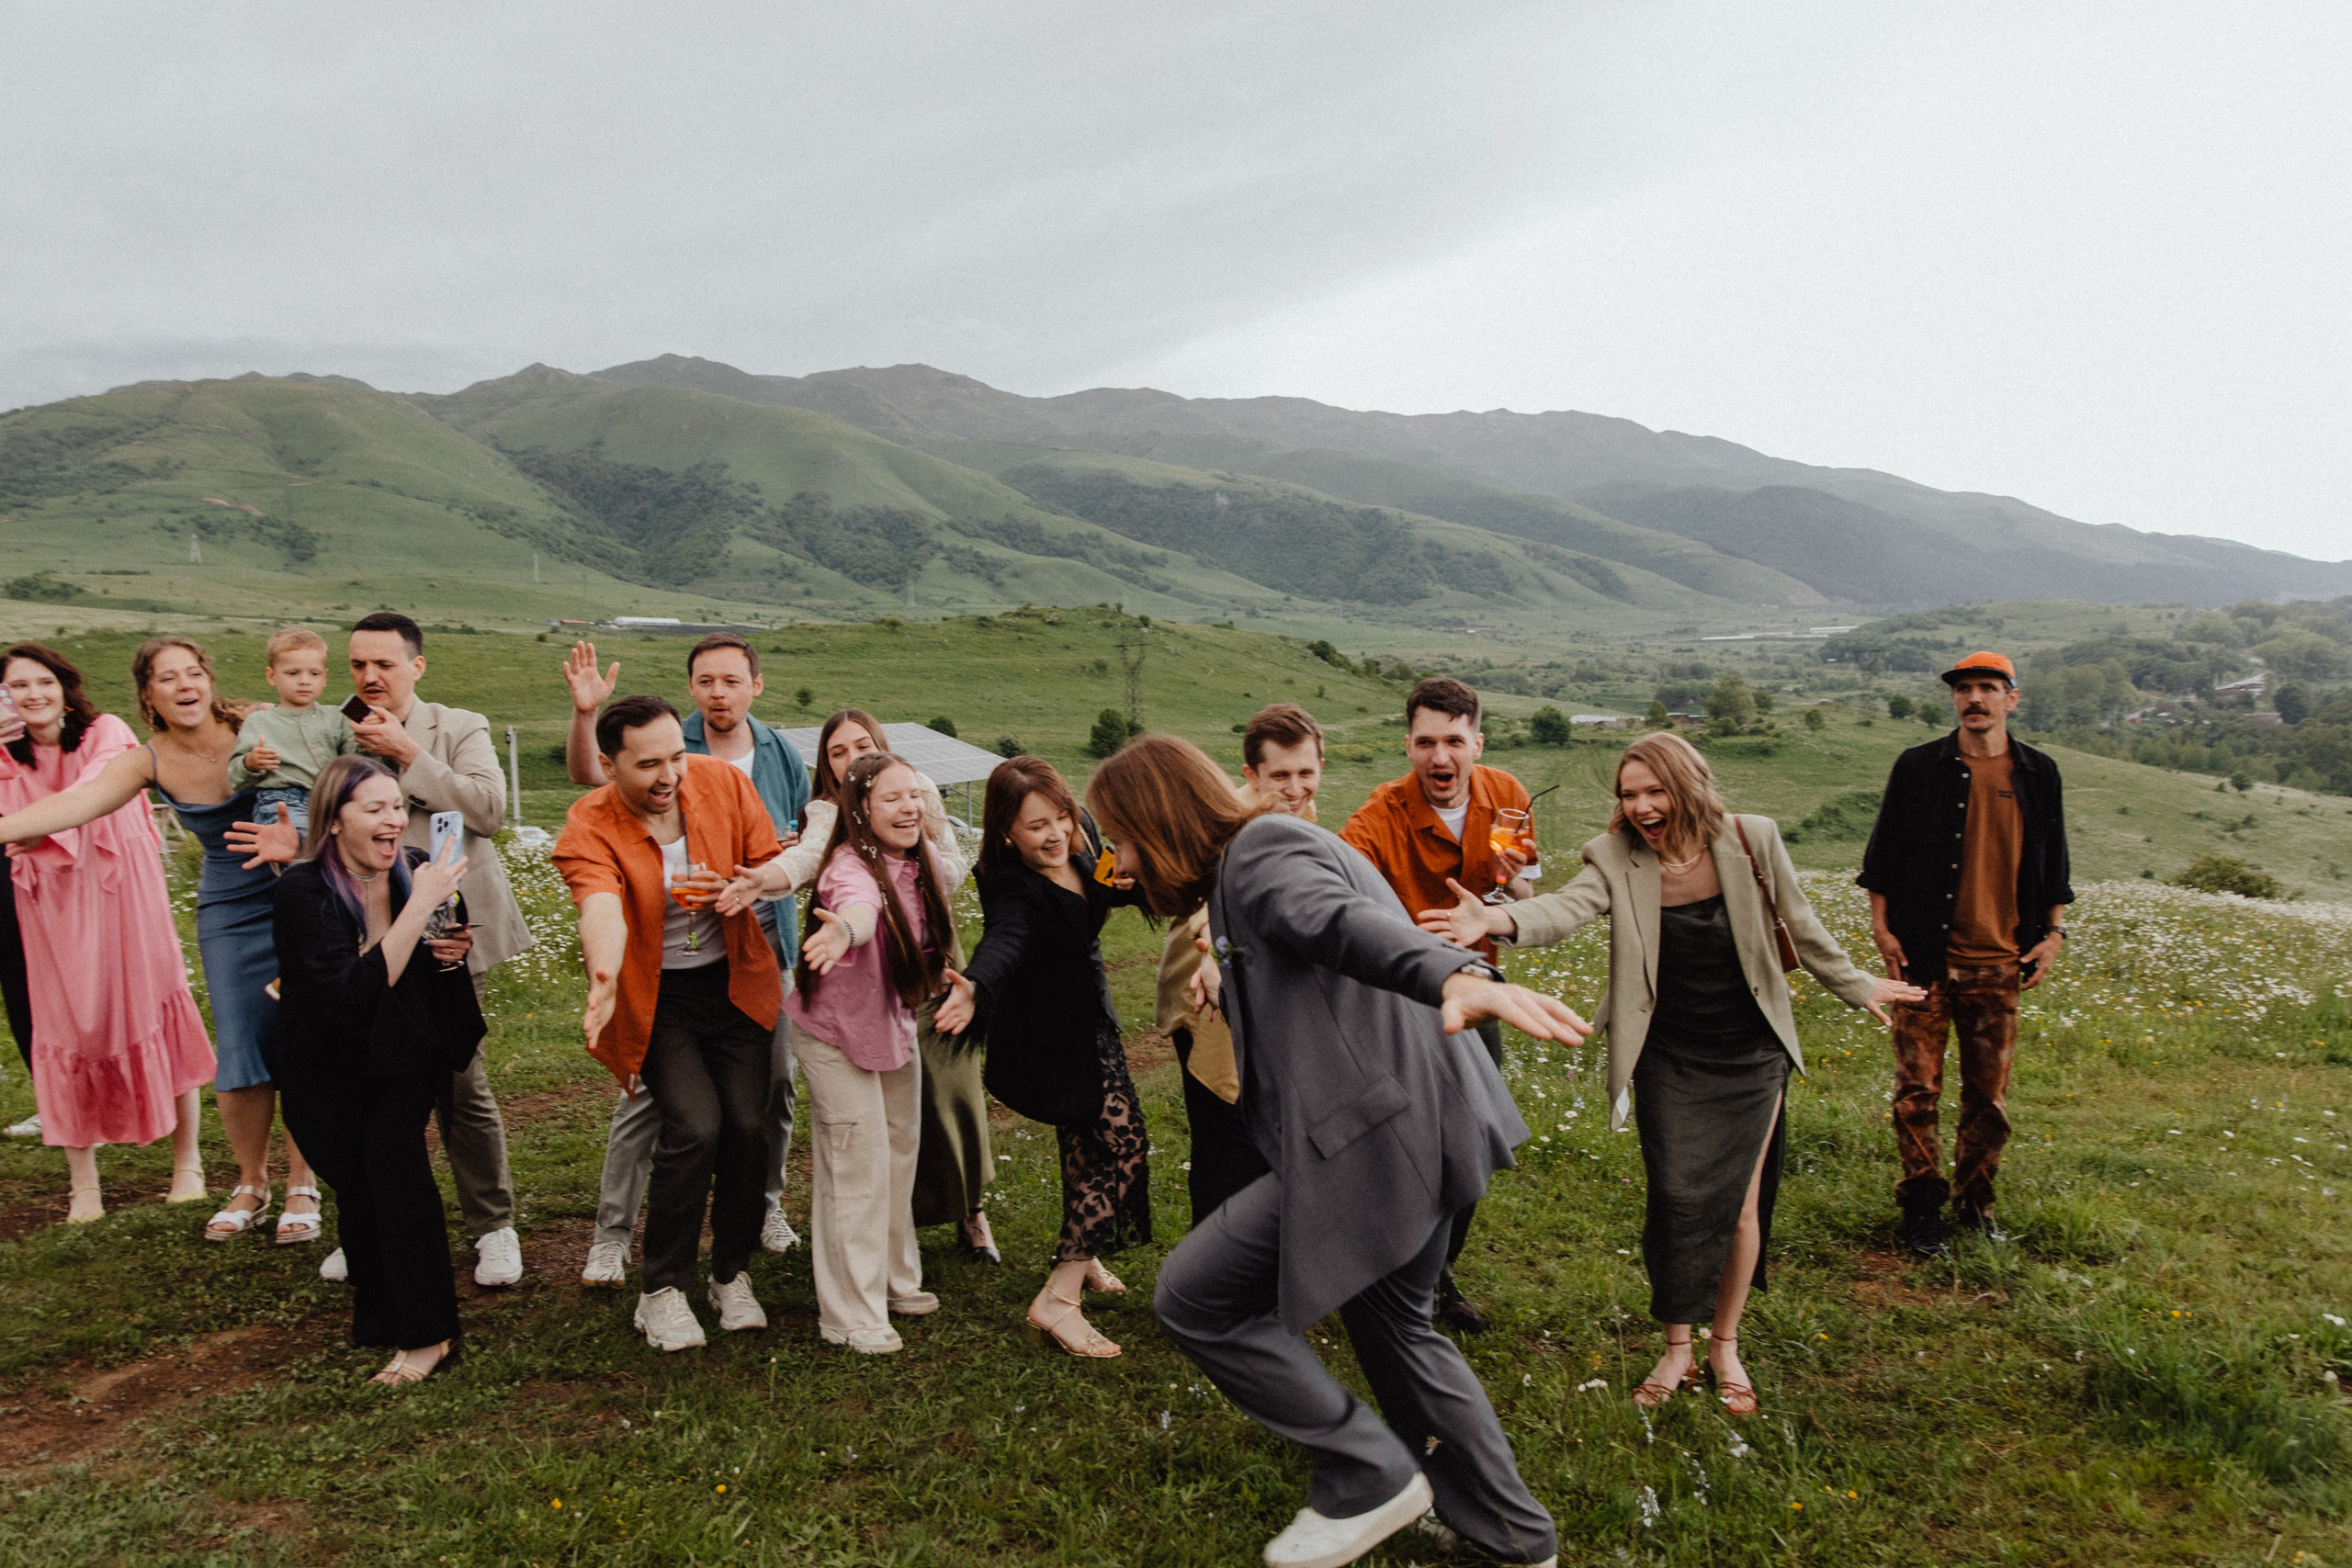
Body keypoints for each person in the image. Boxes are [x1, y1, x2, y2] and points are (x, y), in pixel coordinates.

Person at [1091, 735, 1579, 1568]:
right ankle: (1514, 1535)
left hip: (1377, 1138)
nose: (1121, 862)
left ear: (1157, 818)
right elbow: (1311, 946)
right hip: (1417, 1120)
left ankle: (1369, 1474)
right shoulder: (1254, 863)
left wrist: (1454, 974)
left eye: (1122, 838)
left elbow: (1339, 924)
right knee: (1397, 1325)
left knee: (1194, 1295)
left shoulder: (1261, 852)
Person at [1420, 732, 1918, 1416]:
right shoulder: (1614, 855)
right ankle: (1676, 1344)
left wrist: (1857, 984)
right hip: (1668, 1050)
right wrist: (1497, 917)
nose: (1642, 805)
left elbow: (1802, 927)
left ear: (1687, 785)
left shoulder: (1752, 839)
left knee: (1742, 1206)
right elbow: (1562, 908)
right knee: (1679, 1199)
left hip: (1750, 1050)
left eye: (1654, 790)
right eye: (1630, 794)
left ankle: (1724, 1343)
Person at [0, 637, 314, 1239]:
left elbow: (336, 783)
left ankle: (303, 1183)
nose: (183, 684)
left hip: (297, 891)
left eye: (192, 672)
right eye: (167, 678)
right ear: (149, 696)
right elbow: (76, 804)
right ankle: (251, 1183)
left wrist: (304, 844)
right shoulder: (148, 758)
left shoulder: (259, 724)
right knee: (241, 1044)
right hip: (227, 907)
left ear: (208, 678)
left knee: (302, 1034)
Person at [562, 635, 813, 1285]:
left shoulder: (725, 781)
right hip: (660, 994)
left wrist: (741, 884)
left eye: (677, 756)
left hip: (736, 982)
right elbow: (600, 905)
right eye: (648, 765)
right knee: (694, 1127)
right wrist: (601, 977)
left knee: (748, 1125)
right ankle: (663, 1283)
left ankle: (730, 1273)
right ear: (611, 764)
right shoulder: (588, 823)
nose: (670, 775)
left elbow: (766, 863)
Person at [315, 613, 530, 1288]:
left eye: (384, 663)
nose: (370, 678)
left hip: (450, 925)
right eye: (357, 665)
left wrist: (409, 755)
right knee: (365, 1077)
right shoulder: (335, 731)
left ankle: (493, 1225)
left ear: (417, 665)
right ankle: (370, 1221)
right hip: (367, 927)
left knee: (459, 1076)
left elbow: (488, 812)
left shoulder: (456, 726)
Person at [269, 757, 482, 1386]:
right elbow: (349, 998)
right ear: (334, 821)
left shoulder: (420, 870)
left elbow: (437, 969)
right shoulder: (302, 890)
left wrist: (450, 952)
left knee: (396, 1174)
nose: (393, 819)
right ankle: (382, 1310)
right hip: (323, 1061)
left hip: (400, 1050)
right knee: (355, 1179)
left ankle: (430, 1332)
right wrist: (420, 908)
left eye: (397, 805)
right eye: (375, 808)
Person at [1338, 675, 1536, 1333]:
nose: (1439, 758)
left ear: (1478, 742)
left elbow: (1527, 890)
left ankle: (1437, 1273)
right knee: (1408, 1151)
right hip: (1401, 1001)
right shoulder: (1377, 815)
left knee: (1479, 1140)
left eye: (1454, 741)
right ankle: (1411, 1282)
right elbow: (1330, 884)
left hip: (1478, 991)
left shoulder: (1508, 796)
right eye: (1426, 742)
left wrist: (1501, 905)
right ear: (1408, 745)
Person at [1860, 651, 2073, 1254]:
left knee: (1988, 1099)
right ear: (1954, 698)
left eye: (1987, 687)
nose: (1974, 698)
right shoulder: (1918, 767)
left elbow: (2054, 860)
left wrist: (2054, 934)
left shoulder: (2039, 772)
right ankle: (1922, 1210)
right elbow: (1883, 856)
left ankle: (1977, 1205)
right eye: (1964, 689)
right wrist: (1882, 929)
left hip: (2000, 962)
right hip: (1922, 962)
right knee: (1916, 1093)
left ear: (2012, 697)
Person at [935, 756, 1148, 1359]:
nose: (1055, 833)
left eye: (1060, 816)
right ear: (1007, 832)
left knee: (1089, 1140)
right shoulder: (1011, 887)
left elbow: (1099, 884)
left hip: (1091, 1014)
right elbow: (1004, 938)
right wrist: (976, 982)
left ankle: (1081, 1254)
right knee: (1122, 1139)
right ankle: (1058, 1296)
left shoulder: (1077, 839)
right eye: (1036, 827)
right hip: (1047, 1033)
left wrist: (1121, 885)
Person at [764, 709, 991, 1261]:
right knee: (883, 1115)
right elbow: (820, 873)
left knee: (947, 1086)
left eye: (859, 746)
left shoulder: (911, 793)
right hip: (863, 962)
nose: (848, 760)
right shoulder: (827, 814)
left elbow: (953, 868)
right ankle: (890, 1233)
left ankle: (970, 1210)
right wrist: (780, 887)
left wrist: (918, 850)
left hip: (927, 952)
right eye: (836, 753)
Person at [0, 644, 213, 1222]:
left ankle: (187, 1162)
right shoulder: (4, 756)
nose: (33, 696)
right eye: (18, 687)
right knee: (65, 1021)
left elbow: (83, 802)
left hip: (124, 895)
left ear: (66, 687)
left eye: (44, 682)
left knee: (153, 1002)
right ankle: (84, 1185)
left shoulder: (108, 732)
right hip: (50, 908)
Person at [755, 750, 949, 1353]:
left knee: (898, 1151)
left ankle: (894, 1278)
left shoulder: (925, 860)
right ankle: (849, 1312)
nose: (908, 807)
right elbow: (859, 907)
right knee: (856, 1162)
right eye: (891, 798)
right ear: (861, 809)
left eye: (913, 794)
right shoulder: (849, 866)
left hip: (891, 1021)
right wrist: (843, 929)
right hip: (836, 1031)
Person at [1157, 702, 1324, 1224]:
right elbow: (1208, 908)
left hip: (1250, 995)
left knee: (1261, 1134)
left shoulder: (1298, 814)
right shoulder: (1228, 823)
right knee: (1224, 1139)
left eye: (1306, 773)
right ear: (1251, 774)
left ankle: (1244, 1268)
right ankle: (1210, 1282)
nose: (1295, 788)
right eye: (1280, 775)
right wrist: (1218, 951)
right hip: (1203, 997)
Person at [225, 627, 359, 835]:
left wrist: (367, 722)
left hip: (329, 800)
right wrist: (250, 763)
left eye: (314, 673)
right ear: (272, 676)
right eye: (293, 673)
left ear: (324, 678)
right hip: (281, 801)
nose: (305, 680)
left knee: (349, 843)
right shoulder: (259, 721)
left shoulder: (337, 716)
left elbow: (356, 759)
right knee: (303, 845)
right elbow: (235, 777)